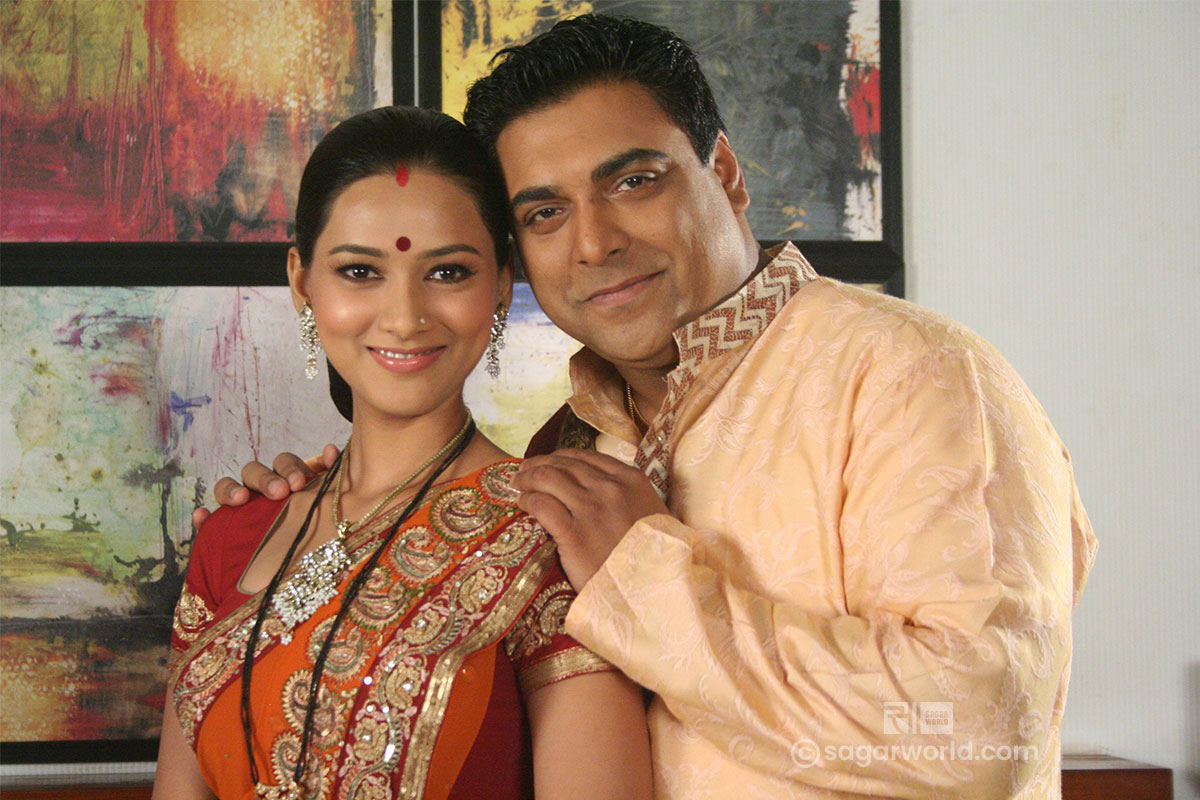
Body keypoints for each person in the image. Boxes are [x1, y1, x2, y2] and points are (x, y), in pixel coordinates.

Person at [204, 15, 1097, 800]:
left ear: (726, 173)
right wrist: (322, 518)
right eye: (545, 213)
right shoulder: (570, 446)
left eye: (634, 182)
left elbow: (981, 733)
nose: (595, 242)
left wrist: (646, 581)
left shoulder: (911, 375)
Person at [154, 106, 652, 800]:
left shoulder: (556, 538)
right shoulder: (232, 537)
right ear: (302, 282)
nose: (405, 317)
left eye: (447, 272)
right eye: (360, 271)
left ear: (500, 285)